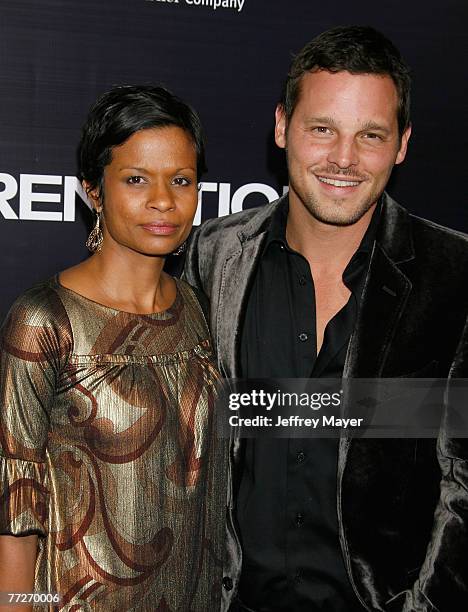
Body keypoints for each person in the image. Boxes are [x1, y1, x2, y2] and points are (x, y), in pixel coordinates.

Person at [184, 25, 468, 612]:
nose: (344, 158)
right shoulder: (209, 258)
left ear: (403, 143)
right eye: (322, 129)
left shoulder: (456, 276)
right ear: (283, 126)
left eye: (370, 135)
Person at [0, 85, 226, 611]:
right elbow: (15, 507)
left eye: (181, 180)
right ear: (93, 191)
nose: (163, 200)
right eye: (135, 179)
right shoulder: (43, 320)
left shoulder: (201, 308)